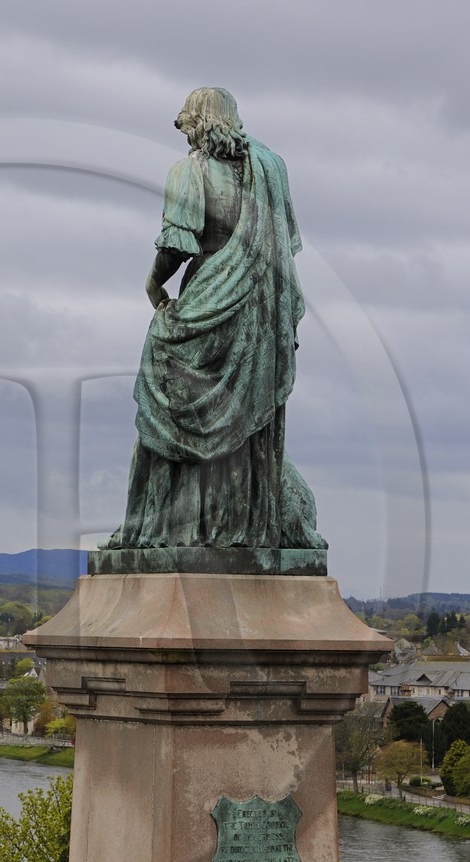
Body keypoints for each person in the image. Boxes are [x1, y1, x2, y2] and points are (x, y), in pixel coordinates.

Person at [100, 86, 326, 559]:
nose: (182, 133)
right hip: (259, 313)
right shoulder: (271, 170)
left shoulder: (189, 172)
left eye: (185, 123)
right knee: (245, 420)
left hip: (209, 300)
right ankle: (244, 525)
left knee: (164, 394)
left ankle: (157, 526)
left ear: (197, 122)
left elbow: (178, 244)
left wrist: (152, 286)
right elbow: (284, 243)